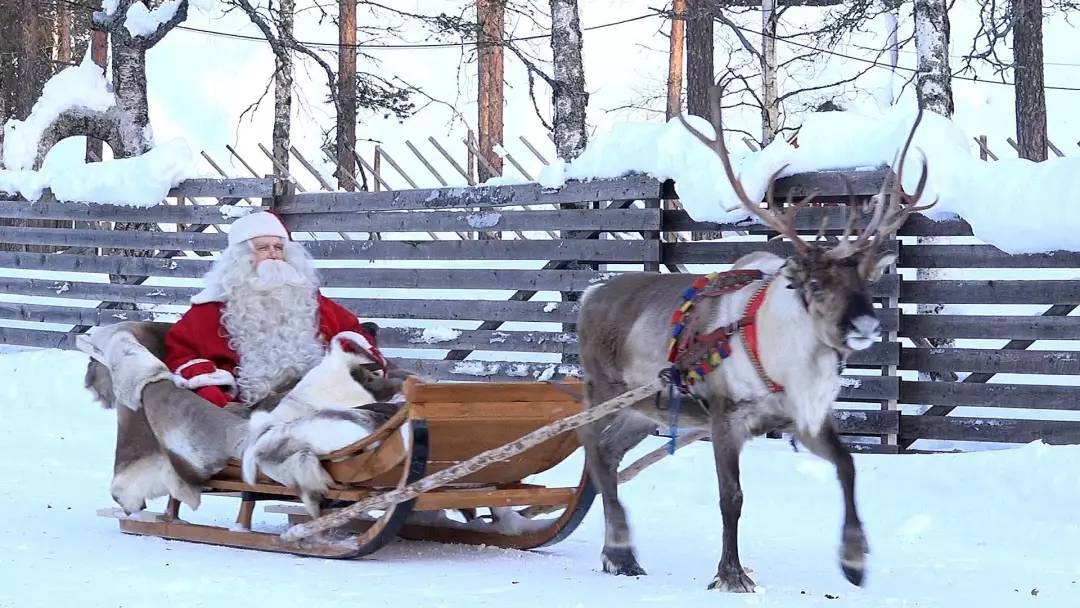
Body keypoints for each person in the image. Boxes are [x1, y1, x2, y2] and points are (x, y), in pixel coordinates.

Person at [164, 211, 384, 407]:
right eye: (262, 248)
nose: (273, 254)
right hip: (254, 410)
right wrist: (211, 388)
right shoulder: (211, 310)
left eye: (279, 247)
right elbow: (182, 352)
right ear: (241, 258)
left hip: (322, 398)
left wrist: (346, 353)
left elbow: (352, 330)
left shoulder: (307, 298)